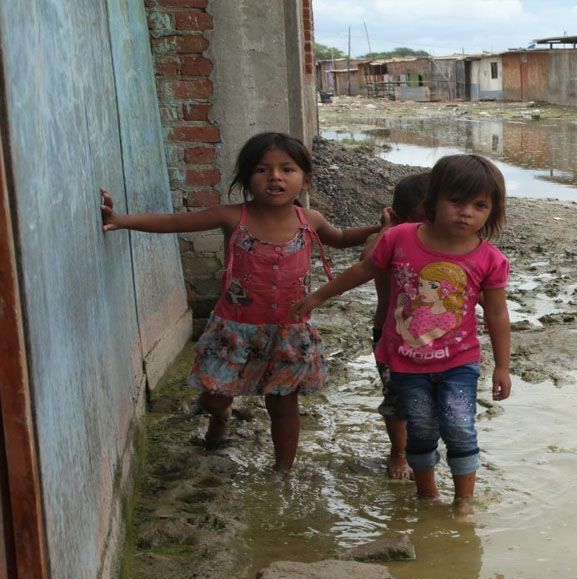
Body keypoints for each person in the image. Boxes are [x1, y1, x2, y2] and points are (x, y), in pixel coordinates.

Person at [100, 131, 382, 471]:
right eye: (262, 170)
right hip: (234, 329)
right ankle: (220, 419)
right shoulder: (234, 217)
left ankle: (283, 471)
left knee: (283, 404)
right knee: (214, 395)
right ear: (247, 178)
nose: (274, 177)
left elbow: (339, 239)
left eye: (286, 170)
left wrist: (378, 229)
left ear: (305, 179)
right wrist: (122, 221)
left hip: (288, 332)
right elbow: (174, 222)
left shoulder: (311, 220)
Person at [293, 154, 511, 505]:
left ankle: (463, 504)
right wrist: (318, 296)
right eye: (456, 201)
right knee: (421, 432)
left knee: (459, 428)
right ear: (433, 200)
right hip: (407, 363)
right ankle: (427, 495)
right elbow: (362, 271)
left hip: (459, 362)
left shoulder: (489, 259)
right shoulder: (400, 238)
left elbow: (497, 314)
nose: (466, 212)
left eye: (480, 205)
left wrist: (502, 366)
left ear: (493, 212)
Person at [361, 172, 431, 480]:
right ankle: (398, 452)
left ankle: (425, 447)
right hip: (391, 338)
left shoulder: (442, 245)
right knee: (397, 401)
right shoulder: (385, 243)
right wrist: (388, 229)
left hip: (434, 339)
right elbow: (367, 262)